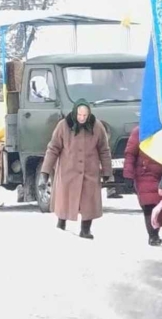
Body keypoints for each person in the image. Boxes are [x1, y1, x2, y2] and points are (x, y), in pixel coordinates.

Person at [41, 99, 112, 239]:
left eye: (85, 116)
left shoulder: (97, 126)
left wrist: (107, 171)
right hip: (68, 171)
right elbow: (53, 148)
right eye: (79, 115)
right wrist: (45, 171)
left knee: (89, 202)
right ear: (75, 113)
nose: (82, 118)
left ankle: (85, 230)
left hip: (90, 171)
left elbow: (104, 150)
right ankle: (61, 224)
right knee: (65, 200)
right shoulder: (63, 126)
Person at [123, 127, 162, 246]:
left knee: (160, 207)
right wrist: (128, 175)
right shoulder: (139, 131)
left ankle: (155, 232)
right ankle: (153, 235)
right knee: (149, 205)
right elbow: (130, 155)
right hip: (144, 173)